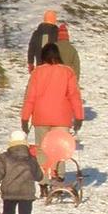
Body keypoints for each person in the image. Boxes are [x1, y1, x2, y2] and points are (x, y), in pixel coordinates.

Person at [21, 43, 84, 185]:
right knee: (59, 148)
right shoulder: (67, 72)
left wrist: (25, 118)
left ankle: (43, 181)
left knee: (42, 149)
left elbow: (30, 97)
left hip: (41, 117)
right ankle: (58, 176)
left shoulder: (37, 73)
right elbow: (74, 96)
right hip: (61, 118)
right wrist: (79, 116)